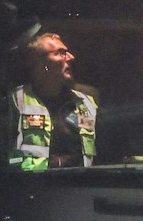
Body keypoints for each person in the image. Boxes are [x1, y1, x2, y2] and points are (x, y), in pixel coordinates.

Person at [6, 32, 99, 170]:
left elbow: (103, 156)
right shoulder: (15, 101)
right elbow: (2, 157)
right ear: (41, 63)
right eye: (61, 53)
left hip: (81, 187)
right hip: (31, 187)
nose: (71, 57)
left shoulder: (87, 103)